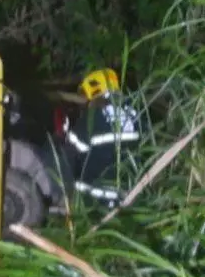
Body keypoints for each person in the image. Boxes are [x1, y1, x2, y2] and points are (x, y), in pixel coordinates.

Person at [45, 67, 143, 210]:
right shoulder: (136, 114)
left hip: (95, 200)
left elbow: (68, 156)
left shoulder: (92, 118)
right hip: (131, 194)